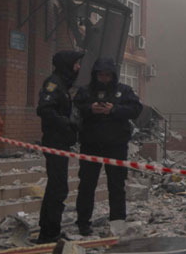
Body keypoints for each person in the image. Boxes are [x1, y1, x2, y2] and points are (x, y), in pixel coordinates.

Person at [74, 58, 142, 236]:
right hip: (91, 145)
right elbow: (76, 107)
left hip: (116, 146)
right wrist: (91, 108)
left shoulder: (124, 91)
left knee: (117, 186)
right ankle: (83, 223)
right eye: (101, 75)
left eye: (107, 75)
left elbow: (136, 109)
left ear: (113, 75)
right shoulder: (85, 91)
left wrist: (114, 110)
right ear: (95, 75)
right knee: (87, 185)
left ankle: (118, 224)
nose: (104, 79)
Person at [36, 50, 84, 243]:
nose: (78, 67)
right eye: (75, 63)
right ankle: (49, 234)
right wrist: (67, 123)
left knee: (56, 187)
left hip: (62, 142)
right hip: (54, 142)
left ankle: (49, 229)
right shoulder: (53, 83)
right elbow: (44, 109)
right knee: (58, 188)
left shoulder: (64, 84)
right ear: (66, 64)